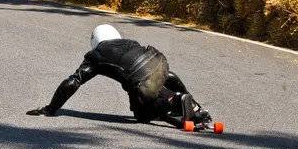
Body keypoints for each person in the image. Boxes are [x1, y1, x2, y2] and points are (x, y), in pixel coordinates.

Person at [26, 24, 210, 127]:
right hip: (160, 65)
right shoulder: (130, 42)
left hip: (140, 82)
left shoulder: (96, 55)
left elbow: (74, 81)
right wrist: (189, 96)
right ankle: (191, 104)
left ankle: (175, 101)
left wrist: (51, 109)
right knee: (152, 84)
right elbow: (167, 75)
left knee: (142, 116)